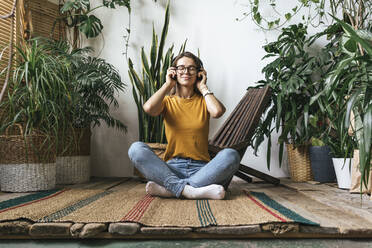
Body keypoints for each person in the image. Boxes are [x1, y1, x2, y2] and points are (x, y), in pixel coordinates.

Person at [128, 52, 240, 200]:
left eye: (191, 68)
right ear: (173, 72)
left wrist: (203, 87)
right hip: (171, 168)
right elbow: (149, 108)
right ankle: (192, 191)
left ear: (199, 73)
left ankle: (171, 189)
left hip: (203, 169)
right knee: (136, 149)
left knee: (231, 155)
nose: (186, 72)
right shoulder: (168, 102)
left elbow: (217, 111)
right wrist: (168, 85)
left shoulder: (204, 101)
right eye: (181, 68)